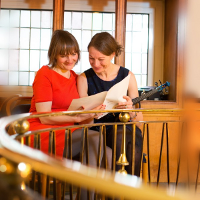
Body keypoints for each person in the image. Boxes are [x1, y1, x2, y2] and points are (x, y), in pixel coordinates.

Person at [28, 30, 105, 199]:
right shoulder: (44, 74)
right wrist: (77, 118)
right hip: (44, 130)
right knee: (95, 140)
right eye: (64, 55)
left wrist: (93, 113)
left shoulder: (75, 77)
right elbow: (44, 116)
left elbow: (82, 115)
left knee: (105, 149)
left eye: (73, 54)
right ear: (54, 55)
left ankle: (86, 196)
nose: (70, 59)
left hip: (69, 128)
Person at [77, 32, 143, 176]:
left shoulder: (127, 76)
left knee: (130, 140)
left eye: (101, 59)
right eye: (91, 58)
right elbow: (83, 121)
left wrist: (130, 108)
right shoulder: (84, 78)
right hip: (98, 129)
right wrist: (92, 113)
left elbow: (140, 121)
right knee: (123, 138)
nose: (95, 64)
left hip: (126, 127)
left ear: (112, 54)